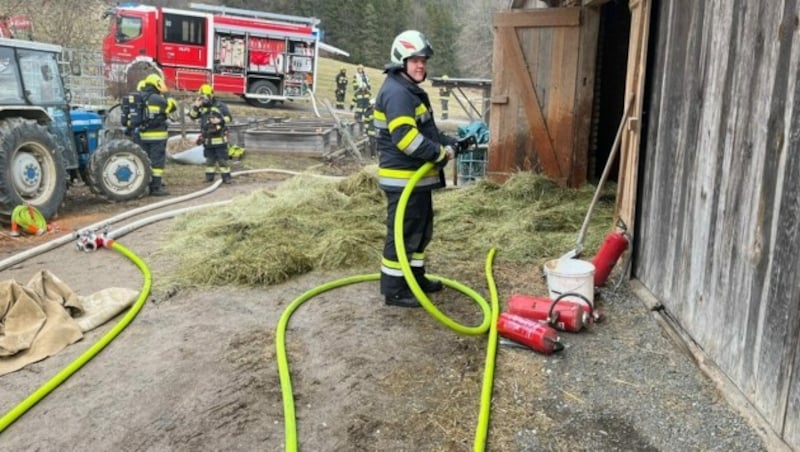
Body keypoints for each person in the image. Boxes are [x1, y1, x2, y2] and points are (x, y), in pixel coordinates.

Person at [374, 30, 474, 308]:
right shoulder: (397, 93)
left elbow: (427, 132)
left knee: (419, 232)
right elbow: (407, 139)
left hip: (416, 182)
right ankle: (395, 290)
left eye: (424, 60)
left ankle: (415, 279)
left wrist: (454, 143)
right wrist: (441, 155)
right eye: (415, 60)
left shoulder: (410, 91)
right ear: (401, 61)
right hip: (403, 180)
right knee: (402, 234)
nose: (421, 65)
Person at [189, 83, 233, 183]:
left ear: (210, 95)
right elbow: (192, 116)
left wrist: (219, 120)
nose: (203, 100)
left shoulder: (220, 105)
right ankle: (209, 177)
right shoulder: (201, 107)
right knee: (209, 160)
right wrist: (196, 107)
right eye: (201, 97)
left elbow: (229, 118)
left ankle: (226, 178)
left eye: (204, 97)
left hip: (219, 140)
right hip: (207, 140)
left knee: (222, 160)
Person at [138, 73, 171, 196]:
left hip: (141, 135)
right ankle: (156, 187)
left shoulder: (139, 96)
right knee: (157, 162)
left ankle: (144, 185)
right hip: (157, 136)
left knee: (144, 160)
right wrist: (167, 94)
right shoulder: (157, 99)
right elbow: (171, 107)